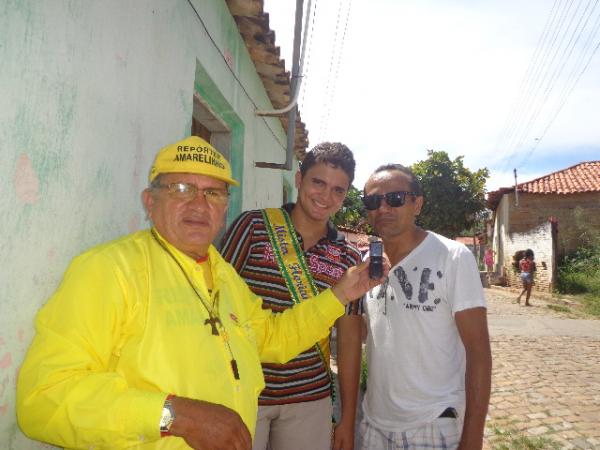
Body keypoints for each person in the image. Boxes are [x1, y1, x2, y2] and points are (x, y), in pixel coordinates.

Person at [16, 136, 386, 450]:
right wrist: (173, 416)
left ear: (224, 207)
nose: (199, 204)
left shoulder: (221, 274)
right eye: (181, 189)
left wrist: (340, 293)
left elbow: (272, 336)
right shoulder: (109, 269)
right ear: (149, 201)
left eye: (213, 193)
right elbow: (43, 400)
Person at [220, 142, 362, 450]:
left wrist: (347, 419)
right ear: (299, 180)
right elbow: (212, 300)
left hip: (309, 398)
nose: (326, 197)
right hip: (242, 391)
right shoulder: (253, 227)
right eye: (318, 182)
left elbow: (349, 340)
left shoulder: (348, 257)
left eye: (338, 190)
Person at [358, 164, 492, 450]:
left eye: (395, 198)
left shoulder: (452, 257)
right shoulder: (366, 264)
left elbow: (478, 352)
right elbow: (361, 335)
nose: (382, 208)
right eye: (372, 201)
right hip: (374, 424)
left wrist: (473, 436)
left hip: (432, 423)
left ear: (417, 204)